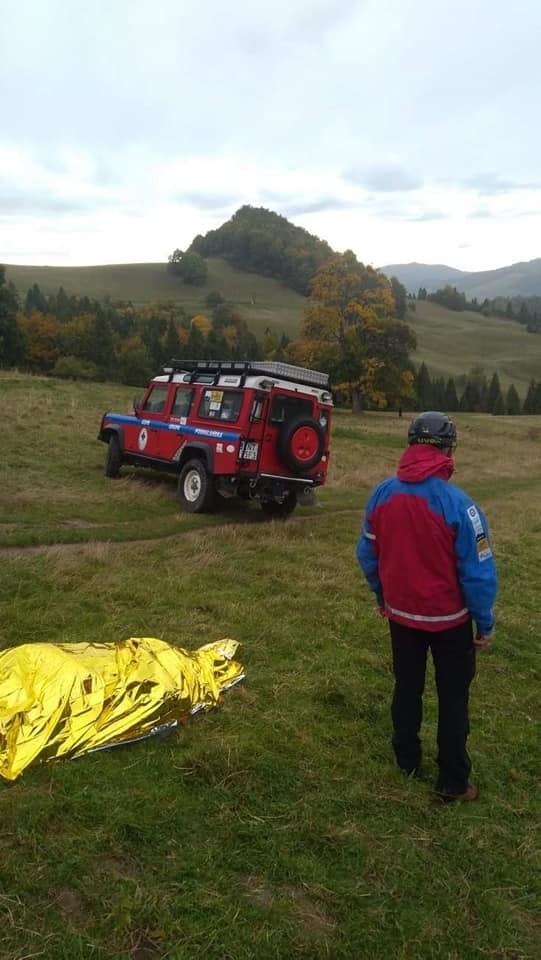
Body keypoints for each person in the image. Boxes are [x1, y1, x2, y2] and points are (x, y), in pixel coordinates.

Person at [356, 411, 498, 802]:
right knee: (453, 698)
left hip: (400, 616)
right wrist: (484, 623)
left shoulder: (382, 494)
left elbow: (367, 554)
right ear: (449, 450)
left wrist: (382, 596)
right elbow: (479, 574)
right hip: (451, 622)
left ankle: (406, 760)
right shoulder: (462, 506)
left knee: (407, 687)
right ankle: (453, 781)